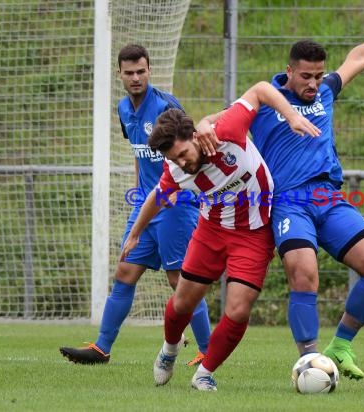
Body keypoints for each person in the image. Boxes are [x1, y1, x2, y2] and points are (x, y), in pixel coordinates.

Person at [197, 9, 364, 381]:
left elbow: (358, 58)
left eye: (319, 75)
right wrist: (202, 125)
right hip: (289, 202)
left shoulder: (325, 93)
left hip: (328, 198)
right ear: (288, 71)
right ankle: (309, 364)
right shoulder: (264, 104)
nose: (313, 82)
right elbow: (215, 120)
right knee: (303, 273)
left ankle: (340, 346)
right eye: (306, 75)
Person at [120, 80, 320, 391]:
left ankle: (205, 372)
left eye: (183, 154)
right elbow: (157, 196)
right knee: (183, 303)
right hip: (211, 232)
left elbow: (261, 89)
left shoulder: (227, 130)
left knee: (239, 309)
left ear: (195, 136)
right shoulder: (176, 170)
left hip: (254, 234)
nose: (182, 163)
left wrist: (291, 115)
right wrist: (134, 235)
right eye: (174, 159)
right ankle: (169, 349)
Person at [59, 44, 211, 366]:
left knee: (180, 281)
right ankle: (101, 348)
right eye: (129, 73)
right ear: (120, 75)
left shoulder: (166, 106)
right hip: (146, 204)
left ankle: (208, 350)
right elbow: (140, 153)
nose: (136, 77)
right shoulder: (123, 109)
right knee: (125, 271)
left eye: (141, 71)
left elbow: (192, 150)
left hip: (175, 204)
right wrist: (137, 188)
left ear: (149, 70)